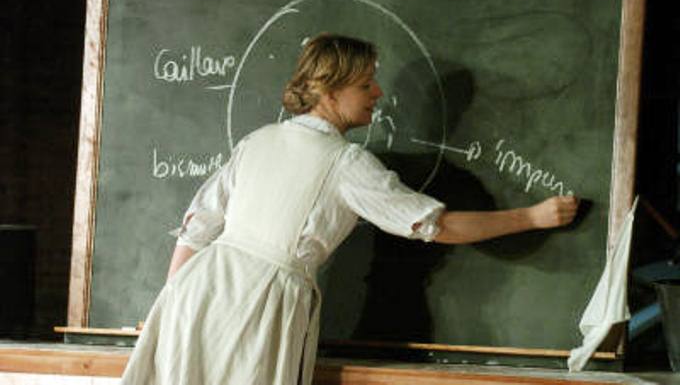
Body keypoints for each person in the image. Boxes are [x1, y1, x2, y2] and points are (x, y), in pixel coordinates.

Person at [120, 33, 579, 385]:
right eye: (365, 84)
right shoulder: (345, 163)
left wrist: (171, 305)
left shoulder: (258, 140)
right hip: (257, 305)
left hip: (197, 293)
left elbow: (197, 227)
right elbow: (437, 226)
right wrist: (530, 217)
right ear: (329, 91)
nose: (377, 93)